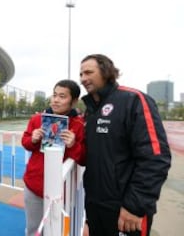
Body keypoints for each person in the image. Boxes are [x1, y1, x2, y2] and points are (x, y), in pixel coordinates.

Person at [80, 54, 171, 236]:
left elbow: (156, 158)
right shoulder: (91, 111)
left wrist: (135, 206)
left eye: (89, 72)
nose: (83, 79)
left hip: (126, 212)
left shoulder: (134, 100)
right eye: (81, 74)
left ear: (106, 72)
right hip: (96, 207)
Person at [21, 79, 86, 236]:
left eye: (62, 96)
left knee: (57, 229)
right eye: (54, 95)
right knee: (34, 228)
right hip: (34, 184)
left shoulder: (78, 125)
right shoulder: (37, 119)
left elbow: (84, 158)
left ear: (74, 101)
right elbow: (26, 142)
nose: (56, 100)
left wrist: (73, 145)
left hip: (61, 190)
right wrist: (33, 139)